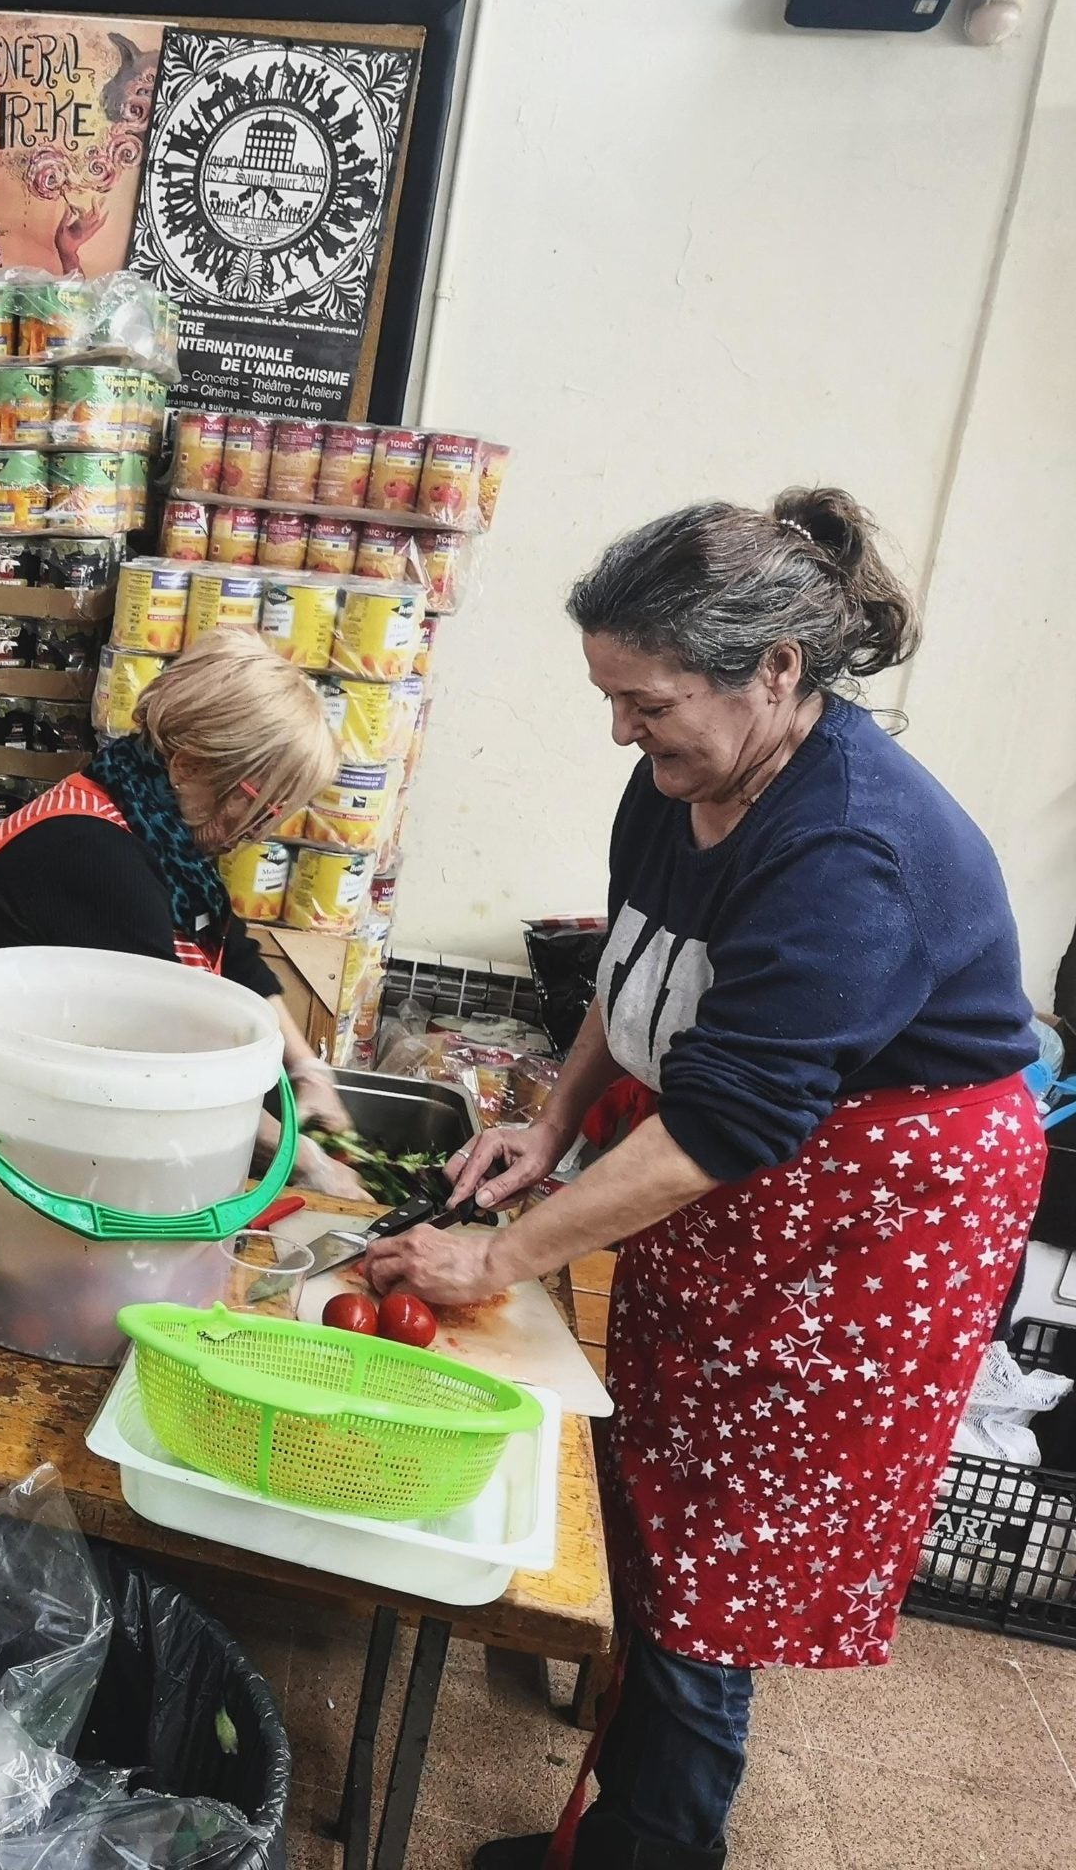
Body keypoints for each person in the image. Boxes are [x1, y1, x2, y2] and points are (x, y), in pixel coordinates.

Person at [356, 489, 1043, 1870]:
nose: (621, 729)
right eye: (612, 697)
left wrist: (498, 1257)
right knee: (656, 1467)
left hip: (877, 1208)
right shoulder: (686, 776)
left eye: (646, 700)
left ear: (774, 674)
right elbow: (639, 961)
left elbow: (726, 1129)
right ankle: (637, 1783)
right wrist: (553, 1128)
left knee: (724, 1535)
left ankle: (660, 1846)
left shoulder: (852, 853)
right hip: (746, 1160)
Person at [0, 627, 366, 1195]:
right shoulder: (91, 855)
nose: (264, 830)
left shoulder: (161, 831)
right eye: (258, 803)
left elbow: (234, 957)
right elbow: (155, 1064)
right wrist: (305, 1164)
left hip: (33, 1113)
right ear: (186, 765)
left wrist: (308, 1071)